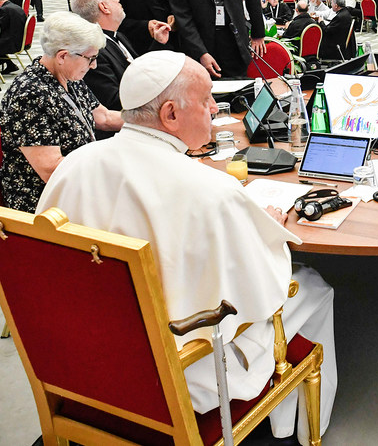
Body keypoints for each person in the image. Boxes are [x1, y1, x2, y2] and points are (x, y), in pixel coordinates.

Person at [36, 52, 336, 443]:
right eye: (207, 99)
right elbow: (259, 288)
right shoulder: (212, 192)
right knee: (310, 284)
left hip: (84, 359)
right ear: (171, 115)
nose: (215, 108)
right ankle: (292, 431)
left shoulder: (74, 164)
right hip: (180, 374)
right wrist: (268, 229)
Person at [0, 12, 122, 213]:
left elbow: (104, 117)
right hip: (46, 199)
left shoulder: (69, 77)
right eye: (90, 58)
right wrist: (110, 168)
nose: (94, 65)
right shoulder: (29, 94)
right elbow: (51, 170)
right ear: (63, 56)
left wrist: (148, 121)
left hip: (79, 181)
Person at [71, 0, 171, 112]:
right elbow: (113, 100)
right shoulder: (93, 52)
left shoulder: (118, 36)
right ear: (104, 7)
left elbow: (139, 67)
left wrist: (159, 42)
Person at [0, 0, 27, 73]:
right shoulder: (14, 6)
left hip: (13, 41)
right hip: (20, 37)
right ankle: (10, 65)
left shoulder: (4, 9)